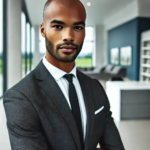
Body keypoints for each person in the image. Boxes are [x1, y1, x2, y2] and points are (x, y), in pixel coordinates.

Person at [3, 0, 125, 150]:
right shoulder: (20, 97)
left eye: (78, 27)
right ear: (43, 30)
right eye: (58, 26)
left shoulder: (95, 87)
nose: (68, 36)